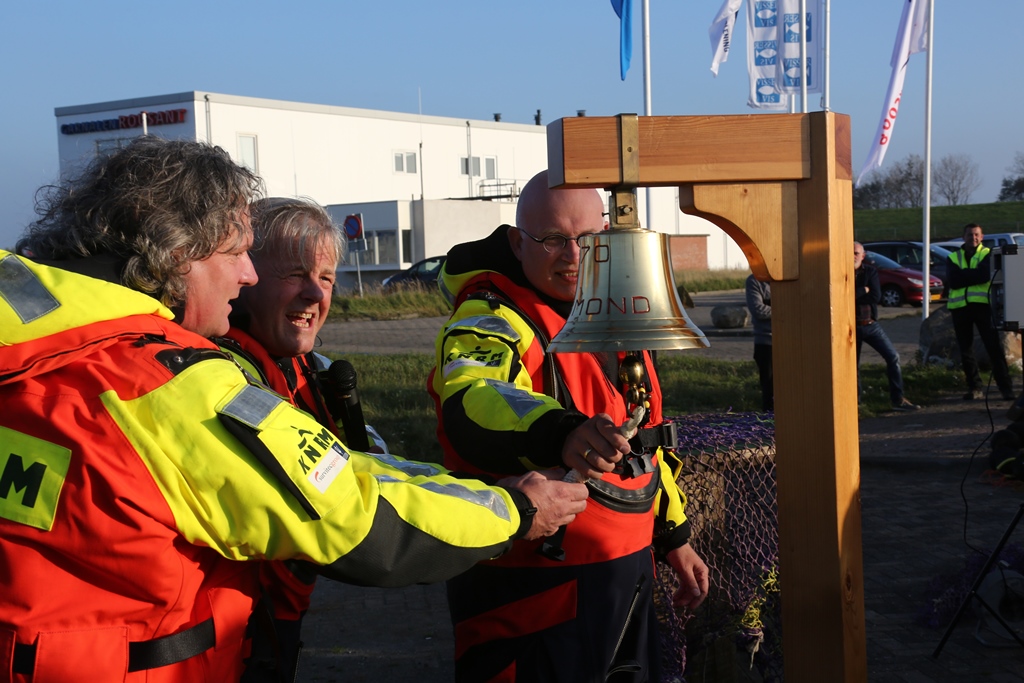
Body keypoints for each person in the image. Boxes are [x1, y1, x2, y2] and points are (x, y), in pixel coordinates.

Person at [0, 137, 588, 682]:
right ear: (178, 255)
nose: (247, 273)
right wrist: (512, 507)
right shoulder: (171, 390)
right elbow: (354, 516)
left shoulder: (30, 339)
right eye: (237, 253)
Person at [428, 170, 708, 682]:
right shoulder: (488, 317)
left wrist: (674, 537)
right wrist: (562, 432)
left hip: (626, 578)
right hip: (535, 597)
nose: (574, 255)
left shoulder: (616, 313)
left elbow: (645, 438)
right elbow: (477, 398)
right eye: (553, 239)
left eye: (589, 239)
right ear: (517, 242)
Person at [216, 197, 373, 681]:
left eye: (325, 278)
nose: (314, 295)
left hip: (278, 616)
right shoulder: (222, 376)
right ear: (244, 276)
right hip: (230, 634)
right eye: (294, 274)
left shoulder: (305, 366)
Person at [946, 223, 1015, 401]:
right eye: (970, 235)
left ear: (982, 237)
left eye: (976, 235)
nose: (973, 238)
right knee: (966, 350)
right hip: (960, 307)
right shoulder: (953, 256)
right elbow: (953, 281)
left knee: (994, 348)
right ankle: (974, 387)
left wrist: (965, 276)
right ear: (964, 237)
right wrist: (972, 275)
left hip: (982, 306)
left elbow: (984, 275)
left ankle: (1005, 387)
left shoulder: (988, 254)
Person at [854, 242, 920, 411]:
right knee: (852, 367)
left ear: (863, 255)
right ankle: (856, 404)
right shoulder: (841, 273)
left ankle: (898, 399)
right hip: (850, 328)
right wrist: (863, 290)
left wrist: (858, 292)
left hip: (870, 324)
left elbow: (876, 296)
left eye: (856, 253)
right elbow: (841, 297)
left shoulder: (870, 271)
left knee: (893, 357)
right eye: (850, 253)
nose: (853, 256)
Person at [745, 273, 774, 411]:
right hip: (766, 342)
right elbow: (758, 310)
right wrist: (787, 309)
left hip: (790, 342)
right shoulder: (754, 281)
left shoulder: (790, 278)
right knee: (769, 387)